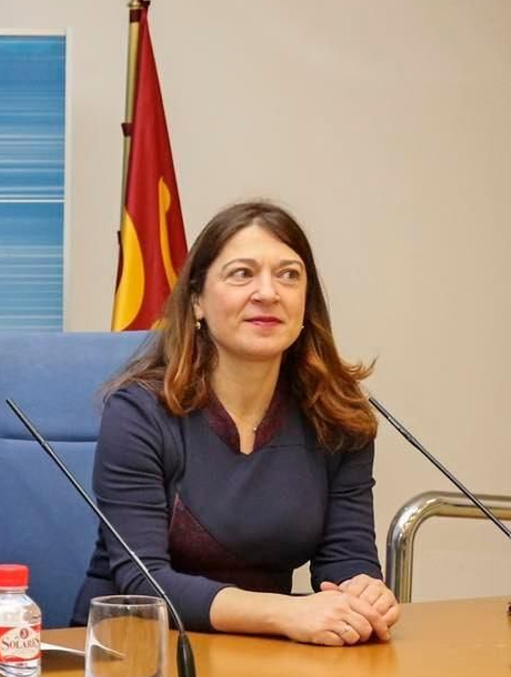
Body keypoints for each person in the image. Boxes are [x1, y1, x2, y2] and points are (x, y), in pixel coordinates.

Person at [74, 200, 400, 645]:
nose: (268, 292)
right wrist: (285, 612)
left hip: (268, 655)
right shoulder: (139, 413)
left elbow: (346, 559)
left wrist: (364, 592)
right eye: (242, 274)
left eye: (288, 275)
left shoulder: (337, 416)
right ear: (196, 303)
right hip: (132, 655)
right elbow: (144, 581)